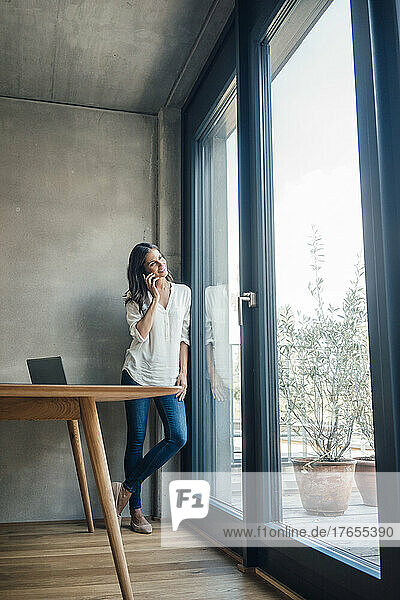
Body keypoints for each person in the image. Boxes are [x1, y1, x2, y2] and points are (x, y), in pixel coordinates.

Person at [112, 242, 190, 534]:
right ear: (142, 271)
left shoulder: (184, 293)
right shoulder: (135, 299)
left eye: (160, 260)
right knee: (136, 440)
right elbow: (141, 334)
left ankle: (126, 488)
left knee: (178, 436)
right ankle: (136, 513)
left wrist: (183, 372)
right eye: (152, 264)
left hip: (168, 379)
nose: (161, 266)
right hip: (138, 374)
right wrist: (155, 298)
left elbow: (183, 335)